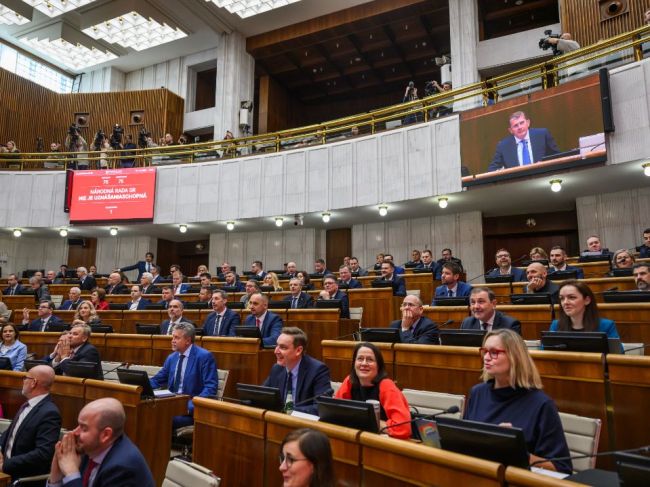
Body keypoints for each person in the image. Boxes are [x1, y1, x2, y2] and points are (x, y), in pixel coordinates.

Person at [464, 329, 572, 473]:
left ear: (515, 357)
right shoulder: (477, 393)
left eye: (494, 352)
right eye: (485, 351)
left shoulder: (541, 404)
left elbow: (561, 468)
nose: (486, 358)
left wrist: (516, 450)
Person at [47, 397, 154, 487]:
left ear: (106, 435)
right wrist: (56, 479)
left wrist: (71, 472)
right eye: (78, 425)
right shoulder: (91, 449)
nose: (75, 432)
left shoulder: (122, 468)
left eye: (84, 428)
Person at [334, 342, 411, 440]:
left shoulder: (387, 386)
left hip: (387, 443)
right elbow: (335, 413)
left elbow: (403, 428)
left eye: (370, 360)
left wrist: (364, 421)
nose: (364, 363)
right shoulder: (350, 381)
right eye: (360, 359)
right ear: (354, 363)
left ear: (378, 366)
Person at [150, 323, 218, 428]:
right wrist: (141, 385)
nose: (172, 340)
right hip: (171, 403)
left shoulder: (204, 357)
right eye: (172, 337)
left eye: (177, 337)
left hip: (190, 409)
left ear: (188, 340)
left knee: (160, 418)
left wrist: (190, 406)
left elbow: (210, 388)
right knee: (147, 413)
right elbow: (158, 380)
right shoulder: (172, 358)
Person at [0, 365, 61, 481]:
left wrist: (6, 465)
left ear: (34, 382)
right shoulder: (27, 405)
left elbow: (43, 454)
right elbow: (10, 433)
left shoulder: (49, 413)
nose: (23, 381)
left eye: (25, 378)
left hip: (20, 477)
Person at [263, 327, 333, 415]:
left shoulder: (317, 370)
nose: (276, 351)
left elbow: (321, 406)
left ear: (298, 350)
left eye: (283, 347)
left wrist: (289, 411)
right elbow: (263, 396)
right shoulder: (277, 369)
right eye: (277, 345)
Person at [488, 111, 560, 171]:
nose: (519, 127)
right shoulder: (503, 146)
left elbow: (557, 157)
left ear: (528, 123)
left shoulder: (542, 135)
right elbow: (492, 169)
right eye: (515, 125)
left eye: (522, 123)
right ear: (510, 130)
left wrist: (544, 164)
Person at [550, 280, 621, 339]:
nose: (565, 302)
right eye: (562, 298)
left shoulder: (606, 326)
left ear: (587, 300)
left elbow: (617, 354)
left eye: (572, 297)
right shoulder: (556, 325)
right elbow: (546, 353)